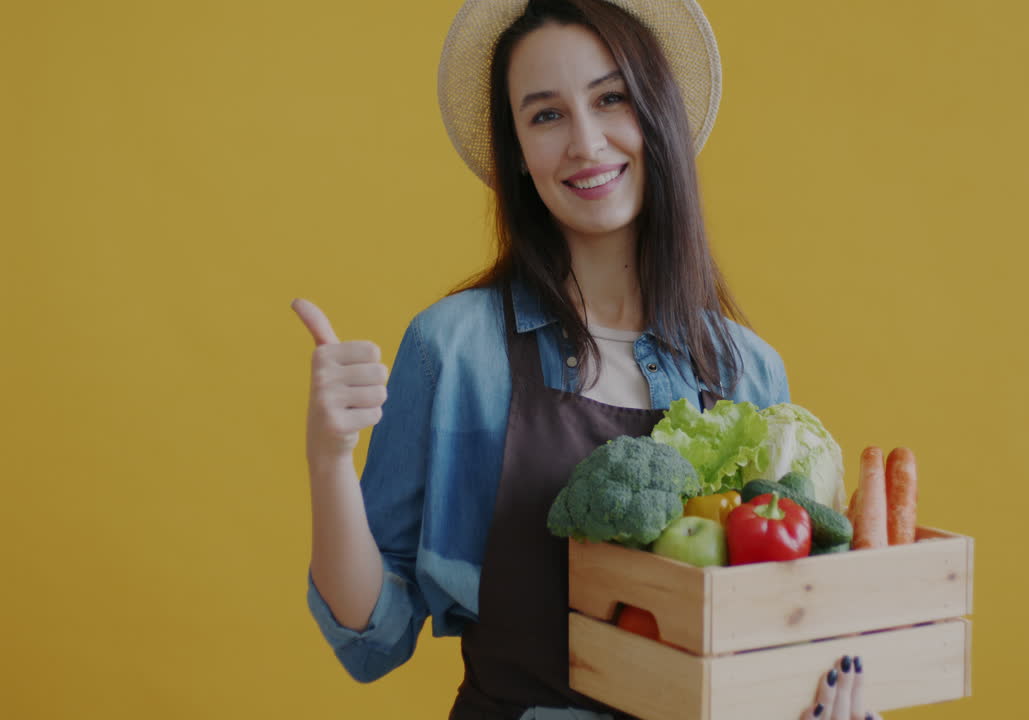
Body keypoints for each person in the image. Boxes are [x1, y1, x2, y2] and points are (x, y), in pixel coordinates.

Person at [293, 1, 884, 718]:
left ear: (656, 114)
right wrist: (329, 459)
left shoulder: (746, 371)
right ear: (516, 151)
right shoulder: (454, 351)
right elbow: (371, 638)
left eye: (611, 99)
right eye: (546, 115)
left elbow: (759, 643)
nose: (586, 142)